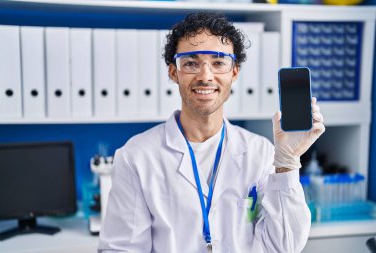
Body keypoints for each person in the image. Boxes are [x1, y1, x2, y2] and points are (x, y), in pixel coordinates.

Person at [98, 12, 325, 253]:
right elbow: (120, 249)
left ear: (234, 72)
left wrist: (287, 164)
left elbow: (284, 247)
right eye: (191, 63)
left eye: (218, 62)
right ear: (174, 72)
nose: (205, 76)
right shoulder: (136, 156)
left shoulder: (261, 153)